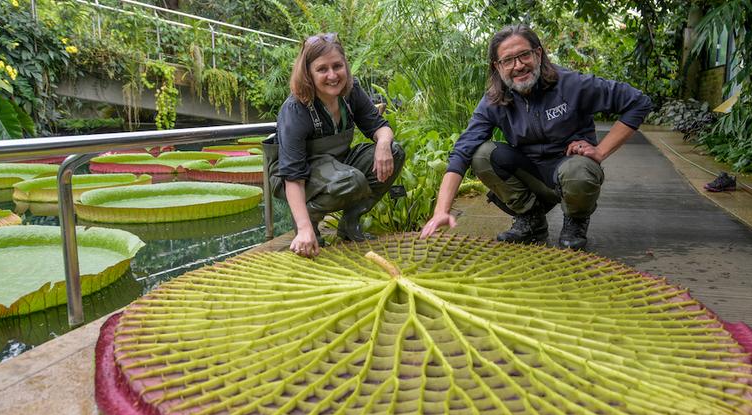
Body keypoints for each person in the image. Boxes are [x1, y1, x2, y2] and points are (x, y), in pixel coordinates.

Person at [420, 24, 653, 249]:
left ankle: (576, 221)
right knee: (481, 155)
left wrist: (601, 151)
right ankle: (531, 220)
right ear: (497, 67)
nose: (519, 65)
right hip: (531, 174)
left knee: (578, 172)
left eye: (524, 55)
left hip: (570, 171)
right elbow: (462, 151)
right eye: (508, 60)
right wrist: (442, 210)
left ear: (538, 54)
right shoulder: (494, 100)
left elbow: (638, 102)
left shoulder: (572, 85)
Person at [263, 33, 405, 258]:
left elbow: (380, 126)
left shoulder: (351, 92)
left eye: (337, 66)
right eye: (322, 69)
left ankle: (350, 222)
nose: (332, 75)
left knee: (395, 152)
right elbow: (292, 176)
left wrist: (384, 144)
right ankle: (308, 222)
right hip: (293, 175)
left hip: (337, 164)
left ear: (345, 66)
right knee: (351, 180)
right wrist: (303, 228)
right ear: (308, 73)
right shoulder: (295, 109)